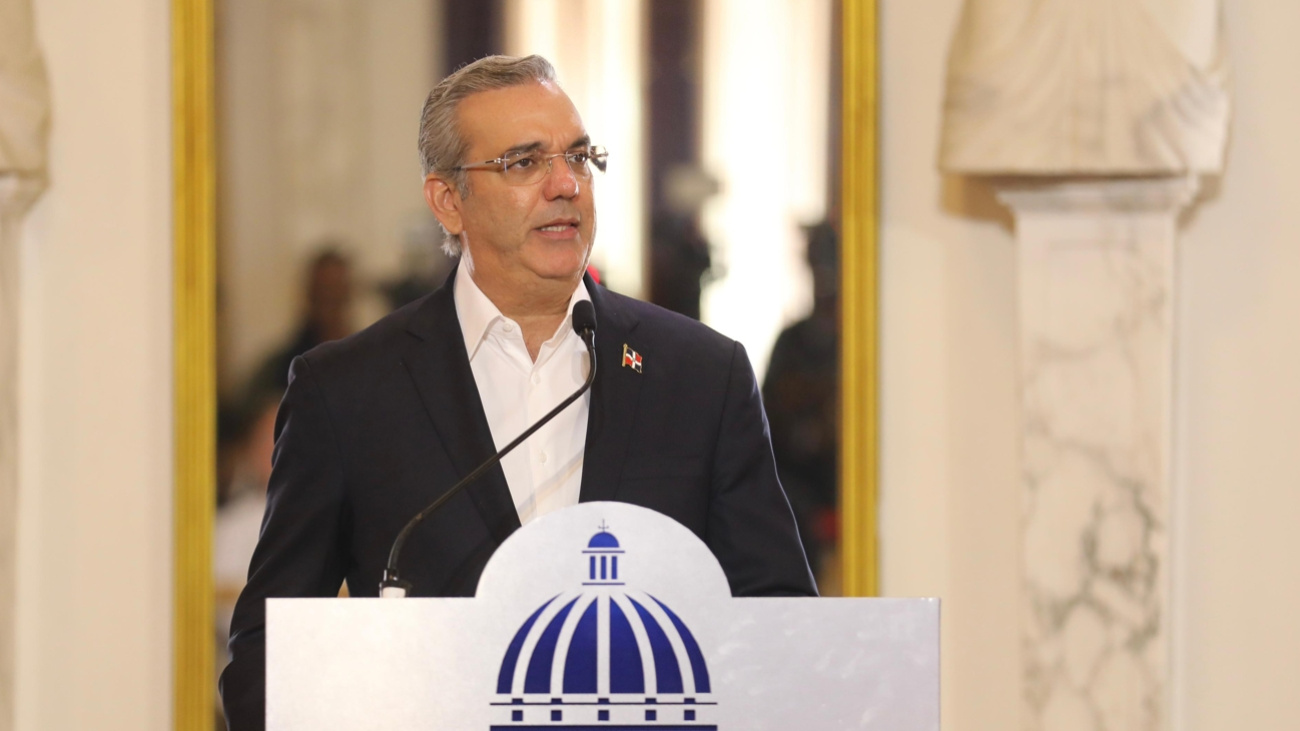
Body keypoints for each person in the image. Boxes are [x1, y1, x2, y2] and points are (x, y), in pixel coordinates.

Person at [219, 54, 815, 730]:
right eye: (525, 162)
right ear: (448, 200)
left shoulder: (702, 376)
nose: (566, 184)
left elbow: (780, 624)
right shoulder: (348, 392)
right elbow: (268, 652)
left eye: (580, 157)